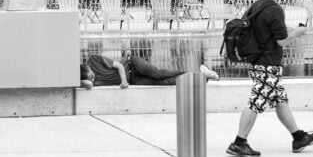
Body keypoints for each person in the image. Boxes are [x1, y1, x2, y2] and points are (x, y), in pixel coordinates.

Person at [226, 0, 313, 157]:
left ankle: (298, 137)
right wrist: (297, 33)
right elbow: (281, 41)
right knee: (255, 102)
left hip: (257, 62)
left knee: (280, 100)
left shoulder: (255, 6)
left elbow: (268, 31)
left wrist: (288, 31)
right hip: (267, 63)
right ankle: (238, 143)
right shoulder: (275, 9)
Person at [81, 52, 219, 89]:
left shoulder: (93, 59)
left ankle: (198, 69)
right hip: (133, 80)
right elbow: (89, 85)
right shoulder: (88, 80)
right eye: (91, 78)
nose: (94, 79)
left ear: (87, 67)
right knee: (164, 83)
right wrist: (84, 80)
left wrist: (123, 81)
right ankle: (200, 76)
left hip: (132, 64)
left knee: (158, 74)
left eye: (92, 75)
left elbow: (118, 65)